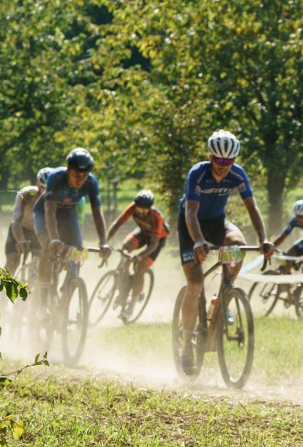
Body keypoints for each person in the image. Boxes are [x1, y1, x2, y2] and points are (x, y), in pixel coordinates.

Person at [177, 129, 273, 374]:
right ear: (210, 157)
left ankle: (224, 293)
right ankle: (187, 345)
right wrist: (198, 241)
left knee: (238, 245)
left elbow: (252, 207)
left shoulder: (237, 174)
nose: (223, 166)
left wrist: (263, 239)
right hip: (191, 225)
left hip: (218, 223)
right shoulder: (198, 173)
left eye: (228, 161)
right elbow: (190, 212)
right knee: (195, 285)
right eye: (219, 160)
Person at [33, 147, 111, 294]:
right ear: (68, 170)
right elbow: (49, 210)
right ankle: (42, 298)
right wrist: (54, 239)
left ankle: (66, 295)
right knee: (47, 247)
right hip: (44, 213)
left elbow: (97, 213)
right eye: (76, 174)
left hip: (68, 213)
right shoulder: (56, 178)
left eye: (84, 175)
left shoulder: (91, 182)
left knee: (78, 253)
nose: (80, 179)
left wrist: (103, 241)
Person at [105, 189, 168, 320]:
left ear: (150, 209)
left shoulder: (157, 217)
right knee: (126, 249)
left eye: (145, 210)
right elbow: (117, 223)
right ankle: (124, 283)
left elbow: (153, 244)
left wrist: (140, 256)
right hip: (143, 233)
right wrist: (104, 241)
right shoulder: (133, 207)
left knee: (141, 267)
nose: (141, 212)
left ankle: (131, 307)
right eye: (139, 209)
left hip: (157, 241)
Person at [4, 182, 42, 276]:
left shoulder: (55, 197)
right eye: (42, 188)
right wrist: (20, 240)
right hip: (20, 228)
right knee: (12, 261)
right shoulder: (27, 193)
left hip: (38, 232)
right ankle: (4, 286)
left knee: (42, 262)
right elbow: (16, 221)